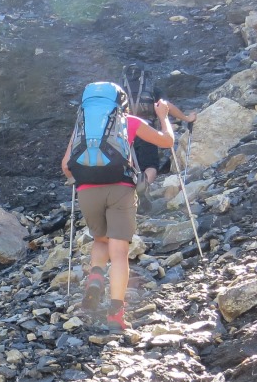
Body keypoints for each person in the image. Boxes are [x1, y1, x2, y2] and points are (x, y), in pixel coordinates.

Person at [61, 91, 175, 331]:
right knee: (120, 252)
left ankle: (95, 277)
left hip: (87, 191)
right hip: (121, 189)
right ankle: (115, 315)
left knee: (100, 239)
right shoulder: (129, 121)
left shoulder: (82, 127)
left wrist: (85, 180)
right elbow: (167, 142)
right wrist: (163, 116)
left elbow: (66, 167)